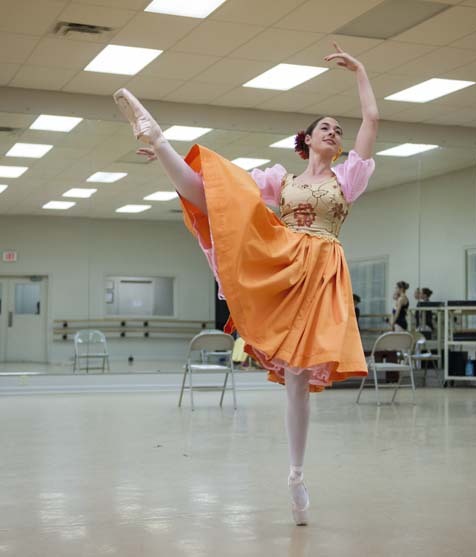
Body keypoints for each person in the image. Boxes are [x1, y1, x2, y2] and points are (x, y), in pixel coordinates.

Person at [112, 42, 379, 526]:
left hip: (320, 269)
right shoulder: (283, 179)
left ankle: (296, 475)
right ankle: (161, 141)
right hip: (282, 254)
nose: (334, 132)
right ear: (307, 139)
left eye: (339, 131)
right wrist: (173, 166)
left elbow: (372, 122)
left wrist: (360, 70)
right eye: (325, 127)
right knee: (219, 192)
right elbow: (216, 197)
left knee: (297, 378)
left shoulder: (349, 179)